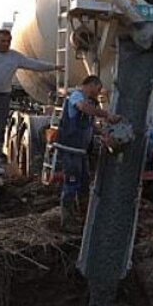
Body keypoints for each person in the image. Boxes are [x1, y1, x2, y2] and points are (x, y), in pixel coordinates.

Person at [0, 28, 63, 175]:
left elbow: (33, 64)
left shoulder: (15, 57)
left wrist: (54, 67)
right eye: (3, 41)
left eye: (8, 41)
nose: (6, 44)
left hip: (2, 97)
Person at [56, 75, 121, 231]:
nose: (97, 93)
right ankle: (67, 220)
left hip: (80, 151)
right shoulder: (77, 96)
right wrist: (106, 115)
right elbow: (82, 108)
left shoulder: (89, 103)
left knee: (84, 182)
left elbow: (89, 126)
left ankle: (82, 215)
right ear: (91, 85)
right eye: (97, 89)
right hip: (70, 148)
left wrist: (105, 135)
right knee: (71, 182)